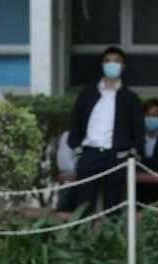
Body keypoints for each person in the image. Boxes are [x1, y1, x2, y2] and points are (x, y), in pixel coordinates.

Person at [68, 46, 145, 212]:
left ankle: (113, 238)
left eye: (117, 61)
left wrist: (132, 152)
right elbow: (75, 121)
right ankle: (82, 237)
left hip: (116, 157)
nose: (112, 64)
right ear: (102, 65)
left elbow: (138, 131)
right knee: (84, 205)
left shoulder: (130, 98)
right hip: (90, 154)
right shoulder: (87, 94)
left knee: (113, 205)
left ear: (123, 66)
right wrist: (76, 146)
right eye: (108, 61)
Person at [139, 98, 158, 205]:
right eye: (148, 115)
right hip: (138, 193)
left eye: (155, 115)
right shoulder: (135, 140)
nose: (151, 119)